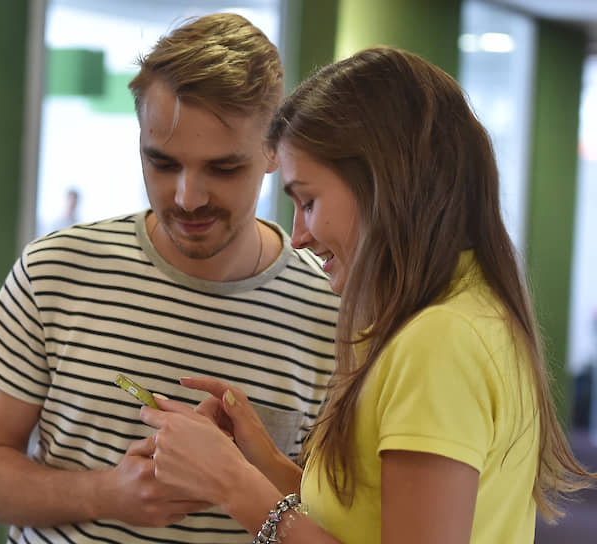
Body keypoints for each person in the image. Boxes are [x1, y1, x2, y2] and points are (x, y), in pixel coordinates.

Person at [139, 46, 597, 544]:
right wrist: (258, 460)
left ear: (382, 185)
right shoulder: (455, 312)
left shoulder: (439, 340)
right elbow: (361, 523)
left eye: (308, 201)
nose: (299, 237)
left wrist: (231, 485)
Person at [0, 13, 340, 544]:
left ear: (275, 151)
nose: (188, 197)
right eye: (162, 163)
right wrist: (106, 493)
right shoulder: (56, 270)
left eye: (223, 168)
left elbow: (342, 521)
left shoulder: (332, 308)